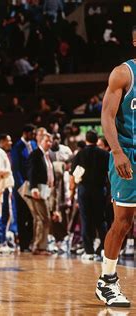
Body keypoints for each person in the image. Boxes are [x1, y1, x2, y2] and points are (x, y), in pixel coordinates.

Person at [95, 27, 136, 308]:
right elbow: (107, 117)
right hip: (128, 153)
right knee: (123, 221)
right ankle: (107, 280)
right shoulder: (123, 73)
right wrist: (118, 151)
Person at [70, 130, 109, 260]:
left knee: (86, 220)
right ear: (97, 139)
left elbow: (74, 174)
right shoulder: (105, 154)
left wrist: (73, 190)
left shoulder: (79, 154)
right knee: (100, 220)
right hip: (99, 190)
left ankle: (89, 251)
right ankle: (104, 248)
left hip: (84, 190)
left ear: (86, 139)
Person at [11, 124, 37, 251]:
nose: (33, 136)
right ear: (25, 133)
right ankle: (23, 245)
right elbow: (16, 169)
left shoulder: (33, 145)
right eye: (32, 133)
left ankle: (31, 241)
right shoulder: (17, 147)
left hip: (32, 185)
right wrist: (21, 186)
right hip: (22, 186)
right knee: (22, 215)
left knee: (32, 215)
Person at [28, 132, 54, 255]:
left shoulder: (47, 155)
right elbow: (31, 172)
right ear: (40, 141)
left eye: (50, 141)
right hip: (37, 190)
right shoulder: (36, 154)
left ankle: (39, 245)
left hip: (45, 190)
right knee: (43, 218)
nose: (49, 143)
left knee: (42, 218)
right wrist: (33, 188)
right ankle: (39, 247)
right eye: (46, 141)